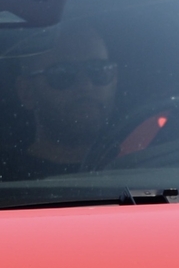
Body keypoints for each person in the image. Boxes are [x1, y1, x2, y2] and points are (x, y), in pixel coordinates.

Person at [10, 24, 118, 172]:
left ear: (115, 78)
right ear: (26, 91)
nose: (85, 85)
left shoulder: (146, 164)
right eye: (62, 74)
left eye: (99, 70)